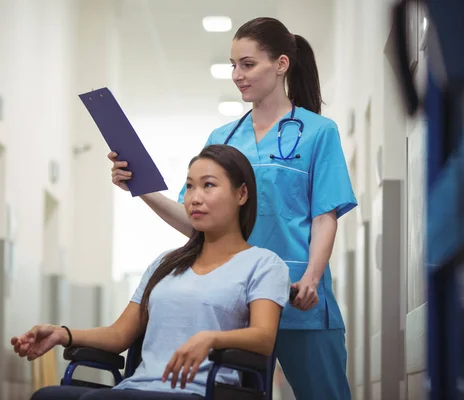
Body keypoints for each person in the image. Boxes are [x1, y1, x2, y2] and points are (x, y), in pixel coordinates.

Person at [109, 17, 357, 400]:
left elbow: (325, 215)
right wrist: (139, 188)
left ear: (281, 65)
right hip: (239, 305)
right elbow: (195, 220)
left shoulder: (318, 132)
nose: (237, 75)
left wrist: (312, 276)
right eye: (233, 65)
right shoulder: (222, 139)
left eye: (247, 64)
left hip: (298, 297)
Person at [12, 145, 291, 400]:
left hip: (204, 391)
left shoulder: (264, 264)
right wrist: (62, 334)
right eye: (190, 187)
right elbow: (119, 334)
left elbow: (264, 338)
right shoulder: (165, 264)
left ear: (241, 194)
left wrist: (210, 338)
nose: (195, 198)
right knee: (47, 396)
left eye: (208, 186)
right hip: (140, 387)